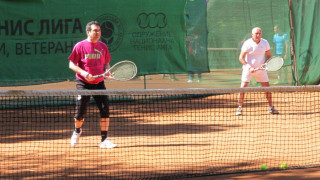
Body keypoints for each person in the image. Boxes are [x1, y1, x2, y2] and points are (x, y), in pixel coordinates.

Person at [68, 21, 117, 148]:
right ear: (88, 32)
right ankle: (77, 131)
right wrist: (85, 74)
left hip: (99, 82)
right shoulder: (80, 46)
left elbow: (106, 63)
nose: (98, 33)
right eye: (95, 30)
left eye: (99, 30)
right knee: (80, 113)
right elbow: (71, 65)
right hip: (83, 83)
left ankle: (104, 139)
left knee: (105, 110)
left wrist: (107, 71)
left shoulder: (103, 46)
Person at [236, 27, 279, 116]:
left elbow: (269, 56)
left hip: (261, 70)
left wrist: (265, 65)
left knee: (267, 88)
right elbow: (241, 58)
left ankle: (271, 107)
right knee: (243, 87)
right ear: (252, 34)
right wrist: (249, 66)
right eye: (256, 33)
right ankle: (239, 108)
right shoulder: (247, 43)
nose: (258, 35)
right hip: (248, 69)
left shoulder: (265, 42)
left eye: (259, 33)